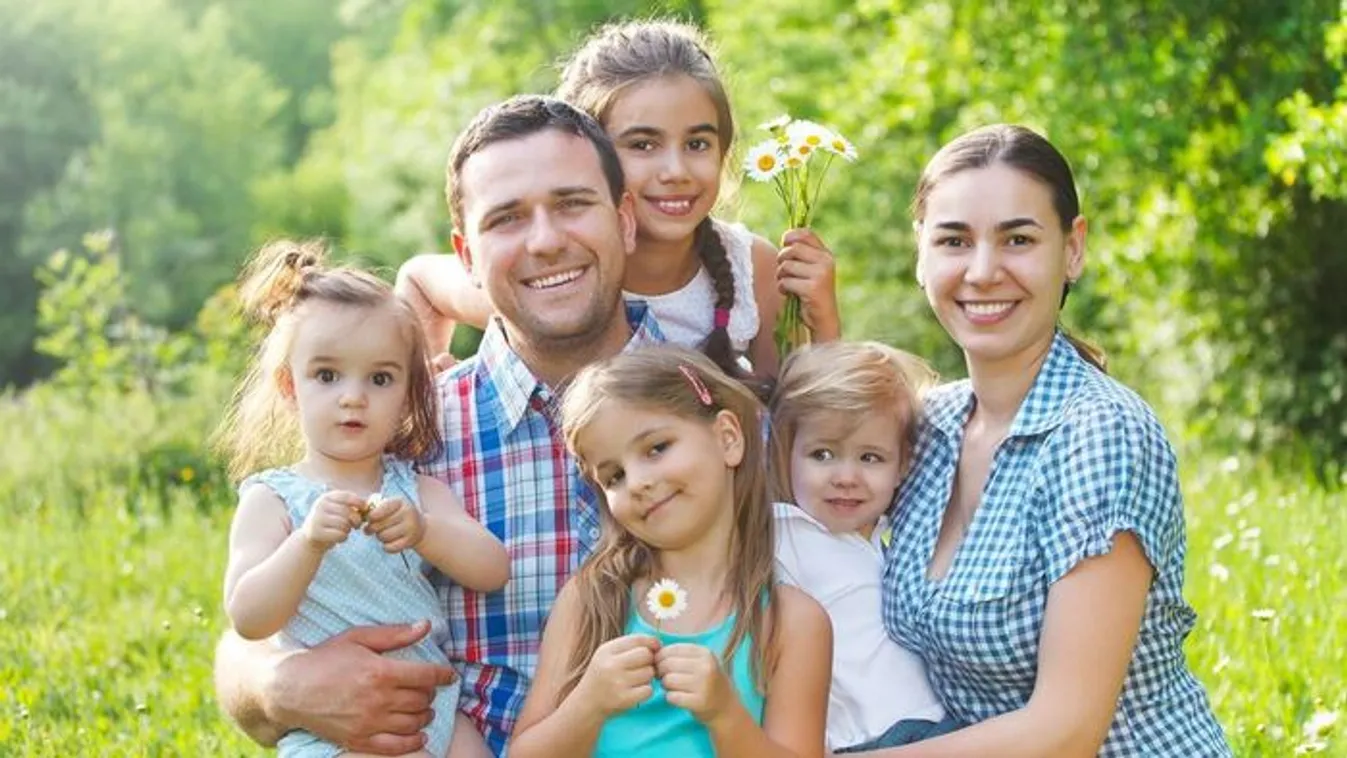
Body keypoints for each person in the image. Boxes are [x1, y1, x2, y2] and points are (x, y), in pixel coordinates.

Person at [213, 95, 665, 757]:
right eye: (506, 218)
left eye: (572, 203)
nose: (544, 240)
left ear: (625, 221)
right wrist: (279, 686)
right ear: (467, 255)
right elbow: (251, 628)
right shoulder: (403, 430)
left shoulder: (724, 418)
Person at [871, 124, 1231, 756]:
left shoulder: (1100, 433)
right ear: (921, 255)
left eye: (1018, 239)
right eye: (954, 240)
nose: (982, 271)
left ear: (1073, 249)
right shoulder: (927, 429)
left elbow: (1066, 731)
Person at [396, 20, 842, 379]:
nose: (676, 171)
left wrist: (823, 322)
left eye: (698, 144)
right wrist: (423, 382)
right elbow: (418, 281)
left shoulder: (752, 269)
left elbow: (788, 424)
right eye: (643, 145)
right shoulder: (557, 276)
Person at [217, 240, 510, 758]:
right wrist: (307, 544)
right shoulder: (274, 499)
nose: (353, 397)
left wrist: (425, 531)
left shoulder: (416, 489)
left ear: (407, 395)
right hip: (339, 726)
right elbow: (249, 615)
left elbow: (491, 569)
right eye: (327, 375)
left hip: (435, 708)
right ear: (290, 387)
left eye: (380, 378)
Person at [509, 346, 831, 757]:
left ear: (728, 439)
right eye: (614, 476)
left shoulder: (792, 622)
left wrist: (725, 715)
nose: (638, 482)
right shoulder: (591, 598)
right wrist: (586, 705)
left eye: (657, 448)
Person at [767, 340, 958, 753]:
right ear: (788, 453)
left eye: (870, 458)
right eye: (822, 454)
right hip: (865, 740)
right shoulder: (784, 535)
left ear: (903, 463)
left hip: (936, 726)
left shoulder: (893, 534)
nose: (846, 477)